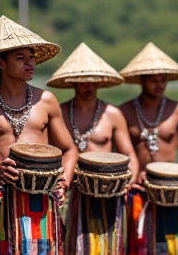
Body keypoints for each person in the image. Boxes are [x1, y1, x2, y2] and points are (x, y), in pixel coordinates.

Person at [0, 15, 78, 255]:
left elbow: (69, 149)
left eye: (31, 57)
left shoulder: (46, 101)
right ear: (1, 64)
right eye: (20, 58)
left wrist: (64, 182)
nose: (30, 63)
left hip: (42, 200)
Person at [46, 42, 139, 255]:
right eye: (83, 82)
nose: (89, 87)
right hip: (73, 191)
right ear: (73, 83)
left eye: (93, 82)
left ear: (100, 83)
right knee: (72, 244)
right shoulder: (59, 113)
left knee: (108, 245)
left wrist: (127, 181)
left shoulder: (112, 114)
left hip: (109, 192)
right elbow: (49, 153)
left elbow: (131, 156)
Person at [119, 42, 178, 254]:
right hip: (138, 189)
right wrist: (130, 176)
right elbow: (117, 152)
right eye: (153, 80)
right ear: (141, 80)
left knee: (176, 244)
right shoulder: (124, 111)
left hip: (174, 189)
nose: (159, 85)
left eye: (163, 80)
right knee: (142, 245)